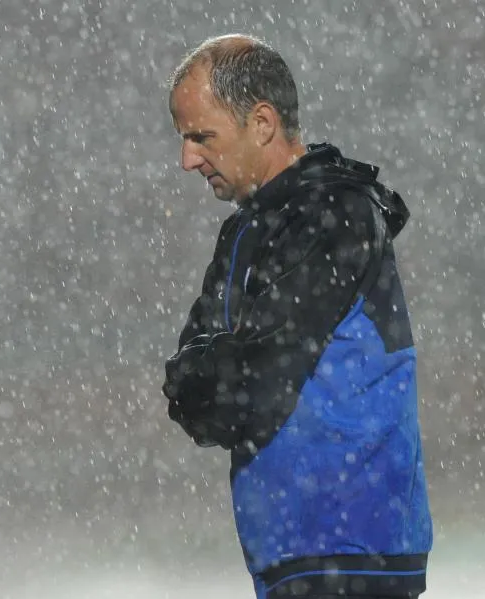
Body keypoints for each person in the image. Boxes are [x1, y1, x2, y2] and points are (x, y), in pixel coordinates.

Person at [160, 34, 433, 598]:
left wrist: (212, 375)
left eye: (201, 136)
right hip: (295, 552)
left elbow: (254, 381)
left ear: (262, 123)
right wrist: (210, 378)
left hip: (351, 551)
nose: (187, 160)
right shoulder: (246, 230)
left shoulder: (336, 211)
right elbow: (192, 388)